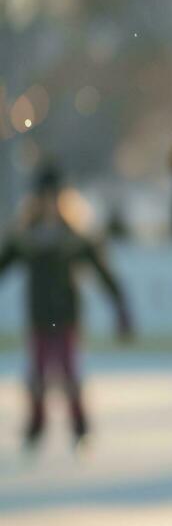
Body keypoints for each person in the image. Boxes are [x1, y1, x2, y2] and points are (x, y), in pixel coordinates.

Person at [1, 165, 134, 454]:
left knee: (69, 373)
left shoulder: (73, 237)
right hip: (38, 316)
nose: (49, 203)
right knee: (36, 374)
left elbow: (101, 271)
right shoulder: (27, 238)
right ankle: (35, 427)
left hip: (66, 316)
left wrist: (119, 305)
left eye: (53, 196)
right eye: (43, 196)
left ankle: (80, 427)